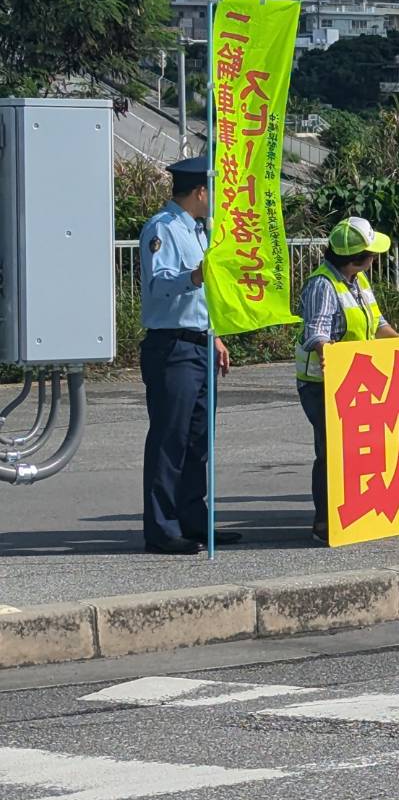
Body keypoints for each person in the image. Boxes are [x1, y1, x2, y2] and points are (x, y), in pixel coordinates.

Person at [138, 154, 238, 555]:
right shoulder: (161, 229)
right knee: (170, 438)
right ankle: (161, 528)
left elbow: (198, 299)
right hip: (171, 347)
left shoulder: (197, 230)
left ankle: (194, 521)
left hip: (197, 343)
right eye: (212, 191)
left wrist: (213, 335)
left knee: (199, 440)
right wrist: (196, 275)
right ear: (200, 191)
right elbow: (161, 285)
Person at [296, 217, 399, 543]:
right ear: (357, 258)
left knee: (358, 449)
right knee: (331, 451)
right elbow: (316, 333)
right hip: (322, 383)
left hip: (357, 380)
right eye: (372, 254)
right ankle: (325, 522)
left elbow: (377, 321)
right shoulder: (322, 285)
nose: (375, 259)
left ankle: (355, 513)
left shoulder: (358, 280)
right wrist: (328, 354)